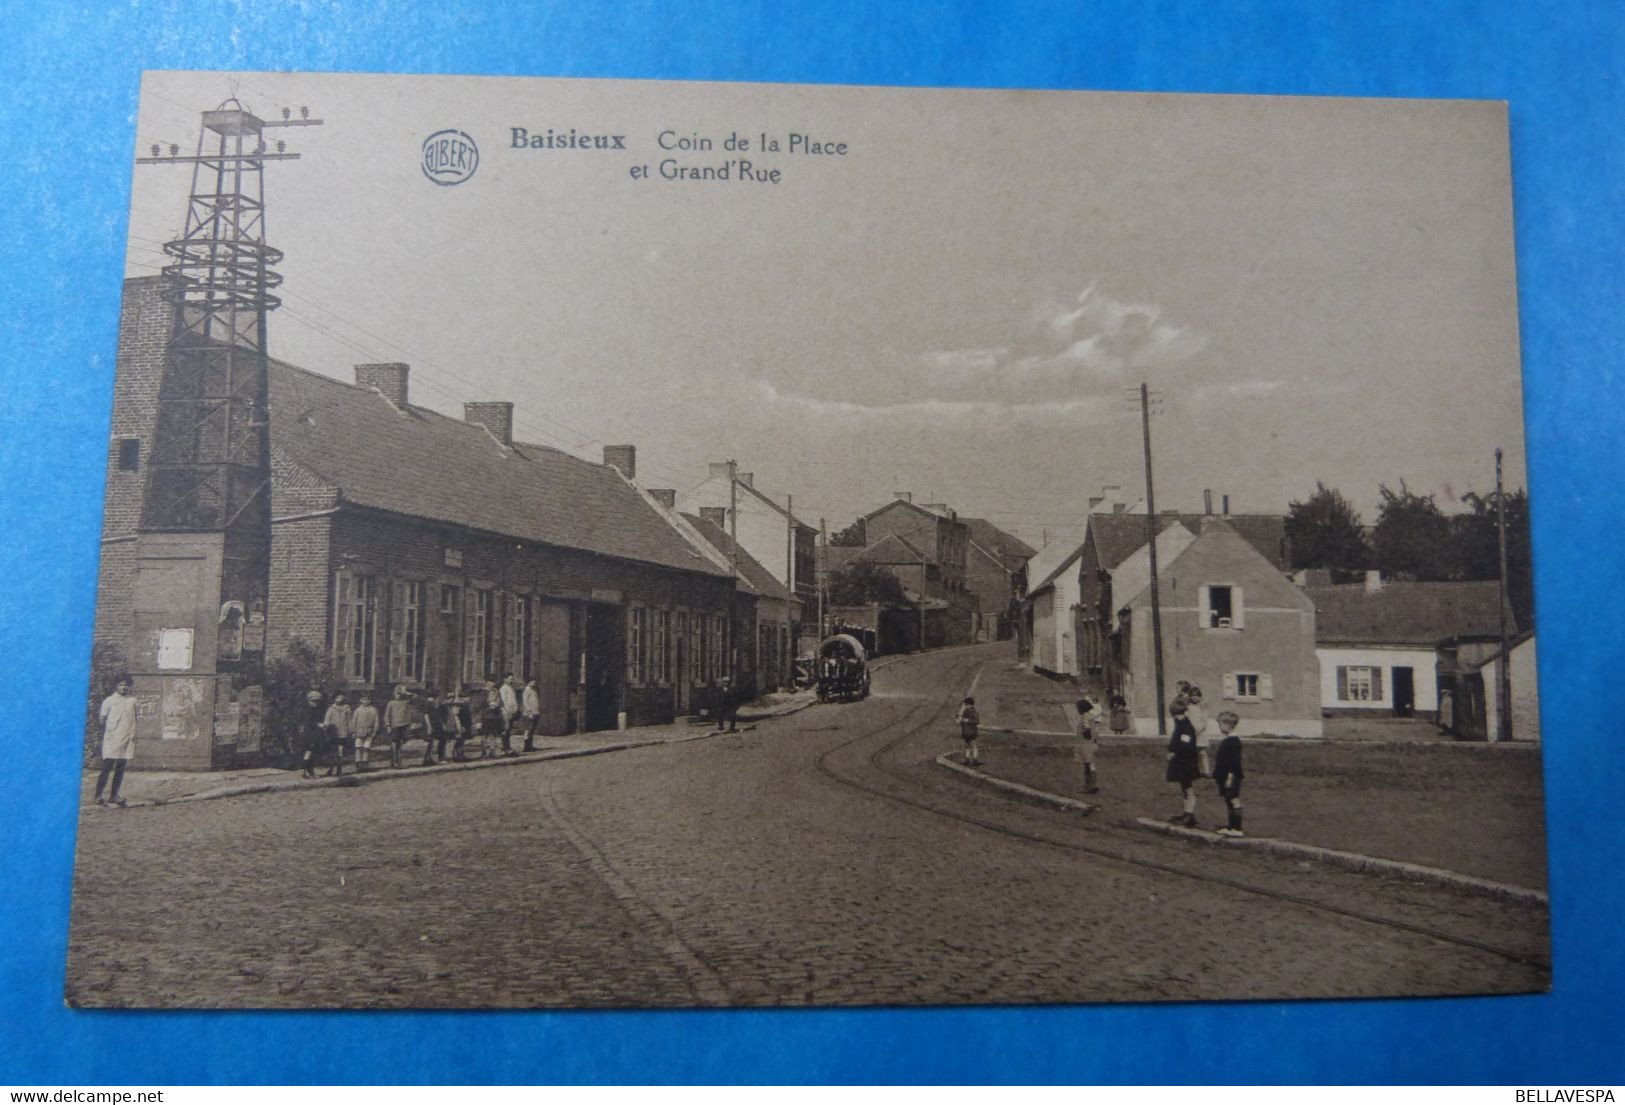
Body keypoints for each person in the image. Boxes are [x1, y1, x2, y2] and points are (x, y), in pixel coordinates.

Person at [94, 674, 138, 807]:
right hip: (112, 738)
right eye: (121, 685)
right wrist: (110, 730)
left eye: (126, 685)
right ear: (116, 686)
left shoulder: (132, 700)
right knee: (107, 766)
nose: (124, 687)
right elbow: (102, 719)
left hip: (126, 737)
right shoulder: (109, 701)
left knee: (120, 768)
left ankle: (114, 795)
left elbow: (134, 718)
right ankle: (98, 796)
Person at [1165, 700, 1202, 827]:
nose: (1176, 718)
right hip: (1181, 761)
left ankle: (1189, 815)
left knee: (1188, 788)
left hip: (1186, 762)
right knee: (1184, 787)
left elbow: (1185, 744)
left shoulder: (1186, 726)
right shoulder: (1180, 724)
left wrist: (1174, 752)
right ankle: (1186, 813)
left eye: (1177, 715)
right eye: (1175, 715)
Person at [1213, 710, 1246, 836]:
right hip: (1225, 776)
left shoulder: (1232, 741)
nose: (1220, 727)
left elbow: (1234, 762)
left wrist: (1230, 777)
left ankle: (1237, 829)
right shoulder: (1228, 740)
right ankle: (1231, 827)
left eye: (1220, 724)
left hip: (1231, 776)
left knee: (1233, 799)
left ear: (1227, 725)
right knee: (1228, 800)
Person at [1073, 697, 1101, 794]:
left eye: (1078, 708)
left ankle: (1088, 786)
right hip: (1090, 743)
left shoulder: (1085, 717)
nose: (1077, 710)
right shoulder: (1090, 717)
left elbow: (1087, 731)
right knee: (1091, 765)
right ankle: (1093, 785)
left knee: (1087, 766)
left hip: (1086, 744)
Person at [298, 689, 327, 779]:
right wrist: (319, 724)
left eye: (317, 701)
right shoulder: (307, 710)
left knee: (312, 753)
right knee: (308, 753)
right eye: (313, 701)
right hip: (308, 733)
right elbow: (308, 722)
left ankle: (311, 772)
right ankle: (306, 772)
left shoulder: (315, 709)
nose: (316, 703)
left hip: (314, 733)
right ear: (309, 700)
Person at [383, 684, 413, 769]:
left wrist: (406, 692)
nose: (398, 695)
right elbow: (387, 715)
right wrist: (388, 725)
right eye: (397, 693)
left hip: (404, 725)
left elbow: (415, 697)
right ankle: (394, 762)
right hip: (394, 726)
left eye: (400, 694)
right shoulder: (391, 703)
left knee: (400, 744)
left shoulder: (405, 702)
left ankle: (399, 762)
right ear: (393, 694)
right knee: (394, 744)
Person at [1185, 684, 1211, 777]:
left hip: (1200, 733)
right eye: (1192, 696)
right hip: (1191, 732)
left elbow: (1204, 721)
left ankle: (1206, 771)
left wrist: (1198, 731)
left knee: (1202, 752)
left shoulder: (1203, 707)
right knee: (1190, 752)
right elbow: (1187, 719)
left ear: (1200, 697)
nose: (1194, 698)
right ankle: (1192, 771)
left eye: (1196, 696)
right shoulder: (1188, 707)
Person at [322, 692, 351, 777]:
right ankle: (330, 769)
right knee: (332, 752)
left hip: (343, 732)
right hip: (333, 732)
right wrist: (326, 728)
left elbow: (349, 720)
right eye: (338, 697)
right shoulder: (331, 708)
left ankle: (339, 769)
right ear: (334, 699)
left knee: (340, 752)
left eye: (341, 697)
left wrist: (350, 730)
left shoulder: (347, 708)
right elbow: (327, 720)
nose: (340, 699)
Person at [350, 692, 380, 772]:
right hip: (359, 732)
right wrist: (353, 731)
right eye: (364, 700)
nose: (365, 701)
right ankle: (358, 765)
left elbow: (376, 721)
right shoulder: (358, 710)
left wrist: (375, 731)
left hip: (369, 733)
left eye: (367, 700)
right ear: (360, 700)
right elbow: (354, 721)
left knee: (366, 748)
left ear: (370, 700)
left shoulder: (373, 710)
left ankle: (365, 764)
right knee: (358, 748)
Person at [498, 674, 521, 755]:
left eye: (512, 679)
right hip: (506, 712)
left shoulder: (510, 688)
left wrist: (515, 710)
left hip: (511, 711)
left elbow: (513, 701)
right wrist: (508, 711)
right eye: (509, 679)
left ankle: (508, 747)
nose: (511, 680)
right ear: (505, 679)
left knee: (509, 730)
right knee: (505, 729)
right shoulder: (503, 689)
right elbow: (504, 701)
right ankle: (505, 747)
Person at [957, 696, 981, 766]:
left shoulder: (974, 712)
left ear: (970, 705)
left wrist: (967, 720)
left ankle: (975, 760)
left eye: (966, 704)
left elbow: (976, 721)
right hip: (966, 731)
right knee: (966, 746)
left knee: (973, 745)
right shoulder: (965, 711)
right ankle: (967, 759)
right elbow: (960, 718)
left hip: (972, 731)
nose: (965, 706)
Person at [451, 689, 473, 762]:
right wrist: (461, 726)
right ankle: (459, 756)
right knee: (460, 741)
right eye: (466, 697)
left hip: (466, 724)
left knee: (462, 740)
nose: (468, 698)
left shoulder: (465, 705)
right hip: (462, 725)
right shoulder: (461, 706)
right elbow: (459, 717)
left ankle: (461, 755)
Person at [521, 677, 541, 752]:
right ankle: (526, 746)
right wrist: (529, 712)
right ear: (528, 682)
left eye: (534, 681)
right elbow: (525, 702)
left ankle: (530, 745)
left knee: (531, 730)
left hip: (535, 712)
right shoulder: (527, 690)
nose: (534, 682)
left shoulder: (534, 690)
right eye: (532, 681)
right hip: (529, 713)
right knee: (527, 730)